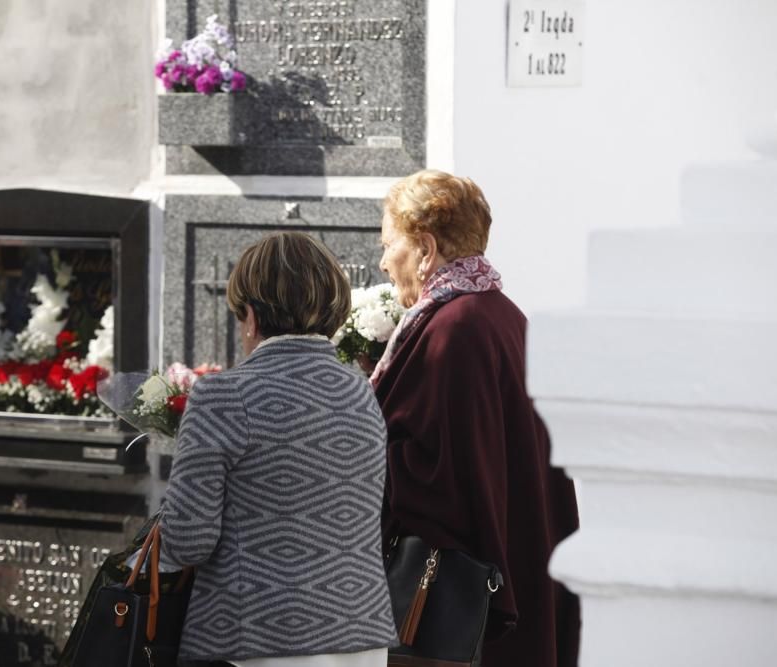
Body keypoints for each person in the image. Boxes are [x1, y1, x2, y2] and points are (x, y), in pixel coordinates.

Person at [159, 232, 398, 667]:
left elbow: (189, 540)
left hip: (255, 638)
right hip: (359, 638)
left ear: (250, 316)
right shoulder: (361, 393)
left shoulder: (223, 395)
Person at [372, 170, 581, 667]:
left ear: (424, 248)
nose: (382, 262)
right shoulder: (503, 315)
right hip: (523, 559)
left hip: (461, 608)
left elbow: (439, 477)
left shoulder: (454, 330)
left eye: (388, 244)